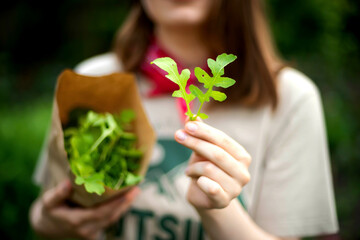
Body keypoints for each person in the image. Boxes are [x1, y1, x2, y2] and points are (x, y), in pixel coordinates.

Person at [30, 0, 339, 239]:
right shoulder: (91, 80)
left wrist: (218, 208)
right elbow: (47, 215)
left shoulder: (289, 99)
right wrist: (48, 220)